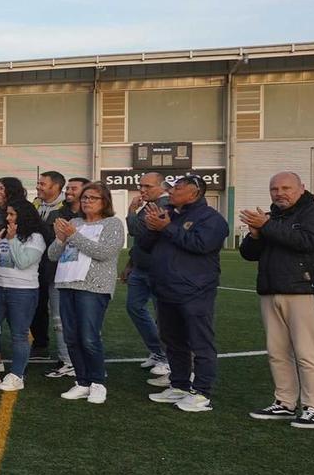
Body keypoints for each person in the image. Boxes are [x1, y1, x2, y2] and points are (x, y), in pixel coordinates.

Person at [239, 171, 314, 429]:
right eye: (274, 189)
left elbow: (307, 241)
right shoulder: (272, 219)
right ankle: (284, 403)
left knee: (307, 353)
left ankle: (313, 408)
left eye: (286, 188)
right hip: (271, 291)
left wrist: (266, 226)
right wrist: (256, 235)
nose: (279, 193)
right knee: (277, 353)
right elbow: (249, 254)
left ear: (301, 188)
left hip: (304, 292)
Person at [135, 174, 229, 413]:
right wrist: (153, 227)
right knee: (173, 341)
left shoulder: (211, 218)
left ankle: (201, 393)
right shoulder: (170, 214)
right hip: (166, 289)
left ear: (194, 193)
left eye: (177, 188)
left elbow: (201, 245)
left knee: (200, 342)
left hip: (195, 290)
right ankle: (179, 385)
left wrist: (167, 228)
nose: (172, 192)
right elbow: (144, 245)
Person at [47, 183, 124, 404]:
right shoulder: (75, 222)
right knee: (71, 337)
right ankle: (82, 382)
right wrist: (61, 238)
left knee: (89, 337)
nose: (87, 201)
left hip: (93, 287)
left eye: (93, 198)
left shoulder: (113, 224)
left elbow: (104, 253)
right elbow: (53, 255)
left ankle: (98, 382)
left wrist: (73, 236)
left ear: (105, 202)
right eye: (85, 198)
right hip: (67, 283)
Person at [0, 188, 46, 392]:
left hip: (22, 291)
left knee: (19, 335)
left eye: (12, 214)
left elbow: (22, 262)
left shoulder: (35, 238)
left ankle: (17, 375)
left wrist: (11, 240)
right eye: (8, 214)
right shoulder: (5, 234)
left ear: (24, 216)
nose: (8, 217)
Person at [120, 172, 170, 371]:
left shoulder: (163, 205)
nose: (142, 190)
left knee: (164, 316)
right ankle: (158, 351)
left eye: (147, 186)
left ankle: (167, 359)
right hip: (141, 267)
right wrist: (130, 264)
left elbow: (137, 231)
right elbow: (140, 240)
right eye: (141, 185)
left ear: (161, 187)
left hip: (159, 270)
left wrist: (131, 210)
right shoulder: (149, 206)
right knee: (134, 307)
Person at [32, 171, 74, 378]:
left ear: (56, 186)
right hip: (37, 266)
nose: (38, 186)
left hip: (58, 268)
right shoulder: (35, 204)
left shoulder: (64, 210)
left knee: (60, 317)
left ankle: (68, 360)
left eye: (43, 183)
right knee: (40, 309)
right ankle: (58, 354)